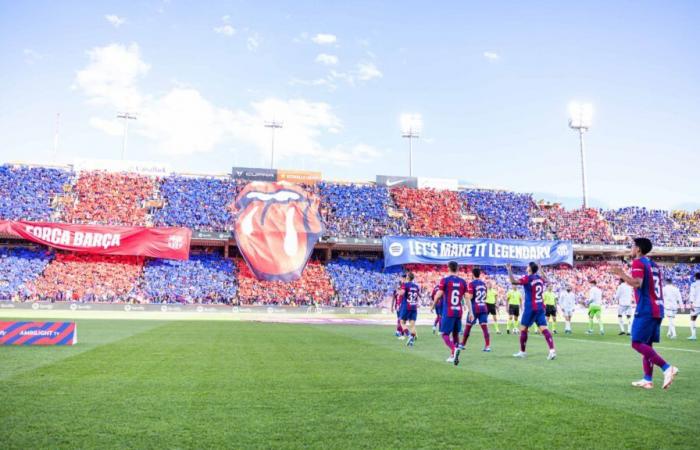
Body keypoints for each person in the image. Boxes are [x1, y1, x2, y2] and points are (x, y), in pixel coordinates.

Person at [611, 237, 678, 390]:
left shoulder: (638, 262)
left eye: (632, 246)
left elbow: (636, 283)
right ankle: (647, 379)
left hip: (646, 308)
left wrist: (621, 273)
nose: (630, 249)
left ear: (638, 249)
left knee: (636, 343)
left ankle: (667, 368)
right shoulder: (653, 265)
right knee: (647, 345)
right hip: (658, 308)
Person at [506, 262, 556, 360]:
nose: (526, 267)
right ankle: (552, 351)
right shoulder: (540, 279)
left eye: (528, 266)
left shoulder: (527, 278)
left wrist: (509, 270)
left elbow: (513, 281)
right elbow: (548, 281)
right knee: (544, 329)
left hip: (530, 308)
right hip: (540, 307)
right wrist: (541, 269)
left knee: (523, 329)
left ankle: (522, 352)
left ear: (530, 269)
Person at [433, 261, 473, 365]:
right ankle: (453, 355)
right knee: (455, 334)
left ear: (448, 268)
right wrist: (471, 312)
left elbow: (438, 295)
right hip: (458, 312)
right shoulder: (463, 282)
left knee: (444, 334)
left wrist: (433, 305)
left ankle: (454, 349)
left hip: (448, 311)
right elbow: (467, 298)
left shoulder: (445, 280)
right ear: (458, 269)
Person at [460, 267, 491, 352]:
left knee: (468, 326)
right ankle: (487, 346)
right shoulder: (484, 284)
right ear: (479, 274)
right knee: (484, 327)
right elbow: (485, 296)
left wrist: (464, 295)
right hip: (483, 307)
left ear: (472, 274)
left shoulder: (471, 284)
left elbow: (470, 297)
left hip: (475, 308)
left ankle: (463, 344)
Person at [398, 272, 420, 346]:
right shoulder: (416, 286)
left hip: (406, 306)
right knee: (412, 325)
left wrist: (398, 289)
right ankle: (411, 342)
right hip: (414, 307)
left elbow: (402, 293)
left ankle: (409, 335)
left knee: (402, 322)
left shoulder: (405, 285)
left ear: (407, 277)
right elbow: (417, 297)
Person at [689, 273, 700, 341]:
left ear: (695, 277)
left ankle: (693, 336)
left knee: (692, 319)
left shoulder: (693, 284)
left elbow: (692, 294)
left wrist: (691, 303)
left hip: (696, 304)